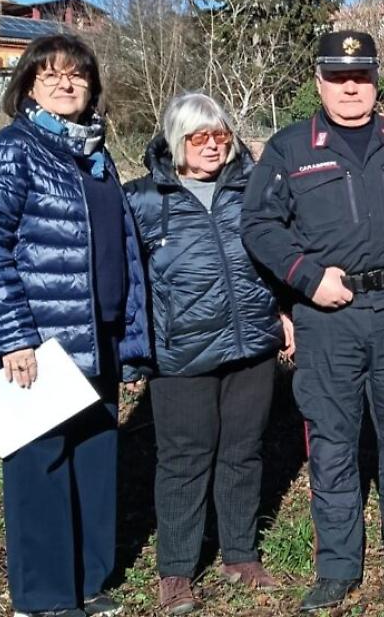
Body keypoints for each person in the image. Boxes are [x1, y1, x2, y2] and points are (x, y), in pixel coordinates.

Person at [241, 30, 384, 613]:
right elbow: (259, 227)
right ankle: (337, 566)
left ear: (376, 80)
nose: (350, 87)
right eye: (338, 77)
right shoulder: (289, 149)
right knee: (333, 443)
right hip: (328, 318)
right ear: (319, 82)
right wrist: (308, 279)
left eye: (360, 77)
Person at [0, 34, 149, 617]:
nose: (67, 84)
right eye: (52, 76)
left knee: (94, 460)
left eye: (78, 76)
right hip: (39, 345)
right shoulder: (13, 150)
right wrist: (13, 336)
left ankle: (88, 584)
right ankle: (43, 599)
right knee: (40, 469)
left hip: (99, 336)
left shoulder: (95, 154)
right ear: (27, 87)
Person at [123, 92, 294, 615]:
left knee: (243, 452)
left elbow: (279, 254)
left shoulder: (252, 190)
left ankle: (240, 554)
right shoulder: (144, 200)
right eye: (200, 137)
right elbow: (129, 282)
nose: (214, 146)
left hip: (251, 346)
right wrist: (133, 353)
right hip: (182, 353)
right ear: (177, 140)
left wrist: (284, 312)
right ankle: (176, 570)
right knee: (184, 460)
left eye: (221, 135)